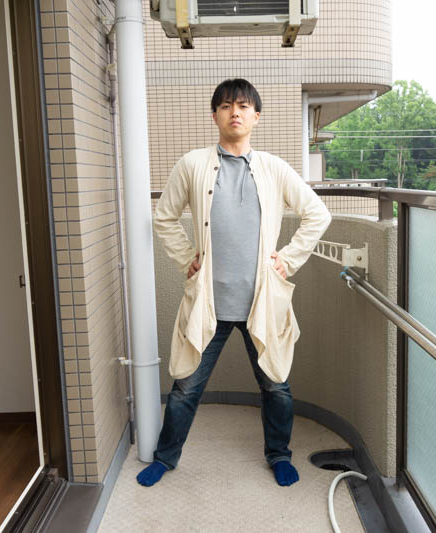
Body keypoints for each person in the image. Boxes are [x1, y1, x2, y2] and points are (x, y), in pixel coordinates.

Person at [137, 78, 331, 488]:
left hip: (261, 299)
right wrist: (186, 258)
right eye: (226, 106)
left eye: (243, 106)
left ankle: (279, 455)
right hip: (211, 300)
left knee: (276, 386)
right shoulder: (192, 164)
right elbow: (164, 217)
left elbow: (318, 214)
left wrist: (287, 260)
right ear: (215, 116)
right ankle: (165, 458)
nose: (235, 113)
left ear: (256, 116)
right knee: (186, 387)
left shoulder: (274, 168)